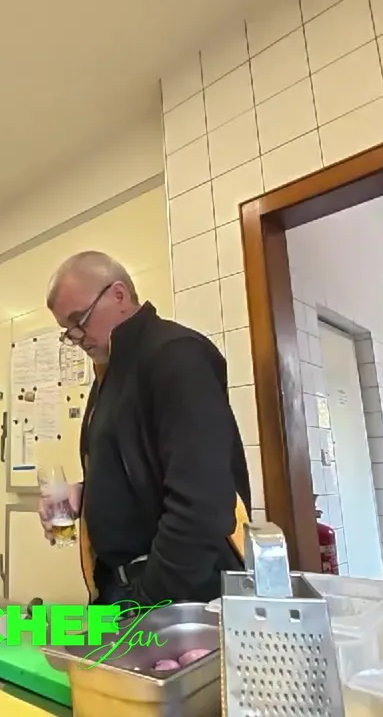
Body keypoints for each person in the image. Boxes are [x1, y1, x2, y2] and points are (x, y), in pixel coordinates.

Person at [43, 251, 251, 605]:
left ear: (119, 294)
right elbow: (141, 468)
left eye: (80, 320)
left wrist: (149, 600)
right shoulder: (111, 372)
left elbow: (201, 504)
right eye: (68, 330)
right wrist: (85, 492)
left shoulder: (176, 356)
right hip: (122, 588)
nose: (77, 337)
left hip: (177, 595)